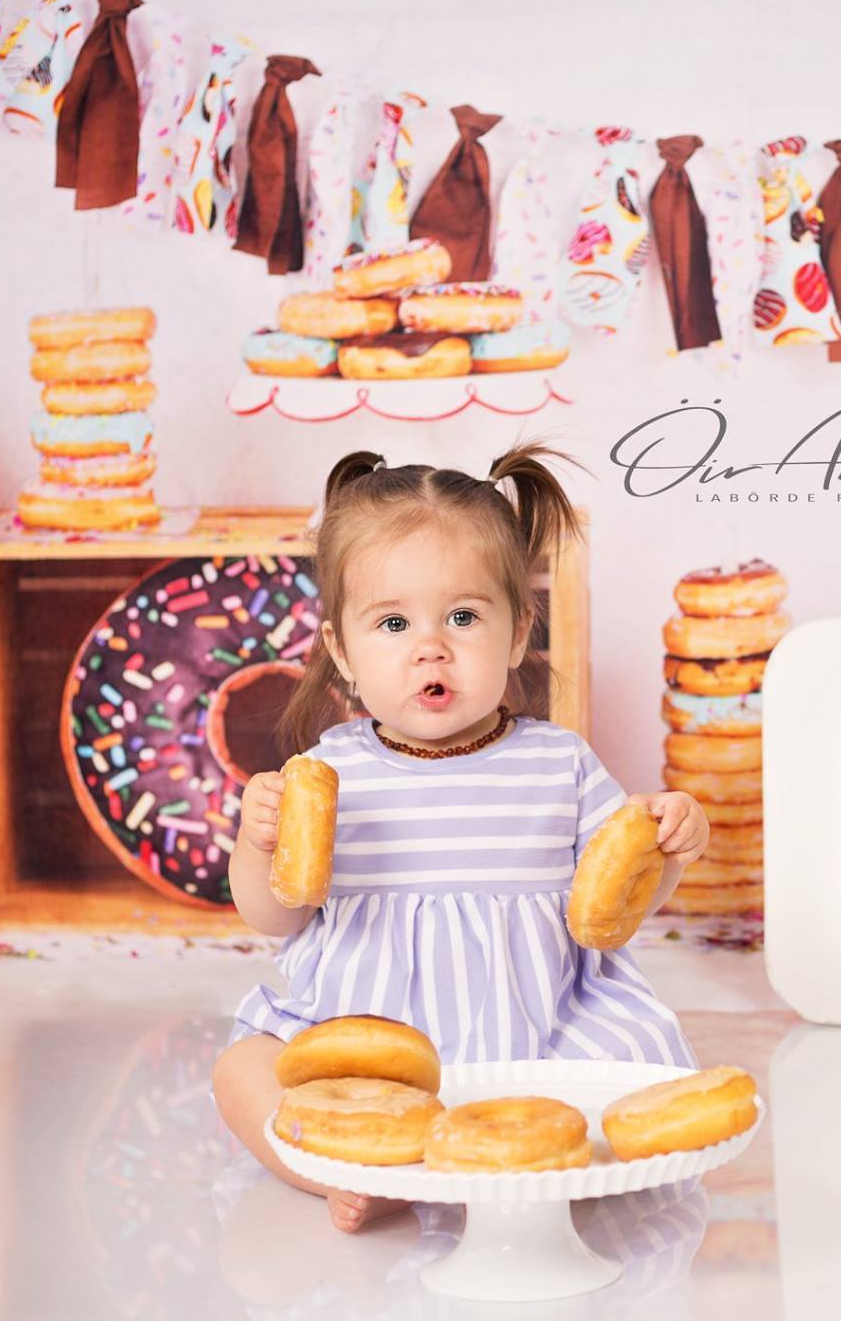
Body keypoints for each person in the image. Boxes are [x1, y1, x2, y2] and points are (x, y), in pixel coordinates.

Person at [211, 444, 707, 1231]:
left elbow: (612, 907)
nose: (431, 646)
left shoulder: (559, 762)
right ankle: (325, 1167)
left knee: (634, 1072)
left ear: (517, 636)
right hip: (366, 1034)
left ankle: (544, 1159)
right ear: (342, 651)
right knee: (243, 1069)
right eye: (394, 622)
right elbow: (274, 918)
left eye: (465, 617)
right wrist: (256, 845)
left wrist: (670, 845)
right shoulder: (328, 771)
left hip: (538, 1024)